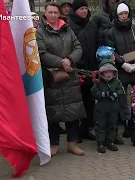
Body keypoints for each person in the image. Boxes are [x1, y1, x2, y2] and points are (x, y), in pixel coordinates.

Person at [36, 2, 85, 156]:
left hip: (70, 77)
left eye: (55, 12)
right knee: (53, 113)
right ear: (45, 14)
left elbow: (78, 47)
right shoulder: (40, 32)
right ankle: (54, 144)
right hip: (52, 78)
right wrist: (60, 62)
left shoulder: (67, 29)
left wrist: (70, 59)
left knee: (73, 111)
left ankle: (72, 143)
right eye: (49, 12)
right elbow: (41, 53)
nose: (52, 15)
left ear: (59, 14)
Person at [105, 2, 135, 141]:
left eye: (126, 13)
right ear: (117, 15)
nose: (124, 16)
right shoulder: (111, 32)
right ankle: (123, 126)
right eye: (121, 14)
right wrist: (123, 64)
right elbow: (111, 51)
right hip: (121, 70)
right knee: (121, 99)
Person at [68, 0, 101, 142]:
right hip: (76, 69)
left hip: (91, 68)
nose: (84, 11)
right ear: (75, 10)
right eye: (81, 8)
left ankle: (86, 128)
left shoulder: (92, 24)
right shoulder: (69, 26)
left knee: (89, 100)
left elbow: (98, 43)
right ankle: (75, 131)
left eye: (86, 8)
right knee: (76, 101)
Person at [91, 58, 125, 153]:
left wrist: (116, 94)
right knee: (100, 125)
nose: (109, 74)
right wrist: (102, 94)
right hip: (101, 107)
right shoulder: (98, 82)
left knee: (112, 124)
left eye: (111, 72)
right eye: (106, 72)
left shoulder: (117, 82)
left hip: (113, 107)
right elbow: (93, 91)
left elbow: (121, 90)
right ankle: (100, 142)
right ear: (102, 73)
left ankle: (110, 141)